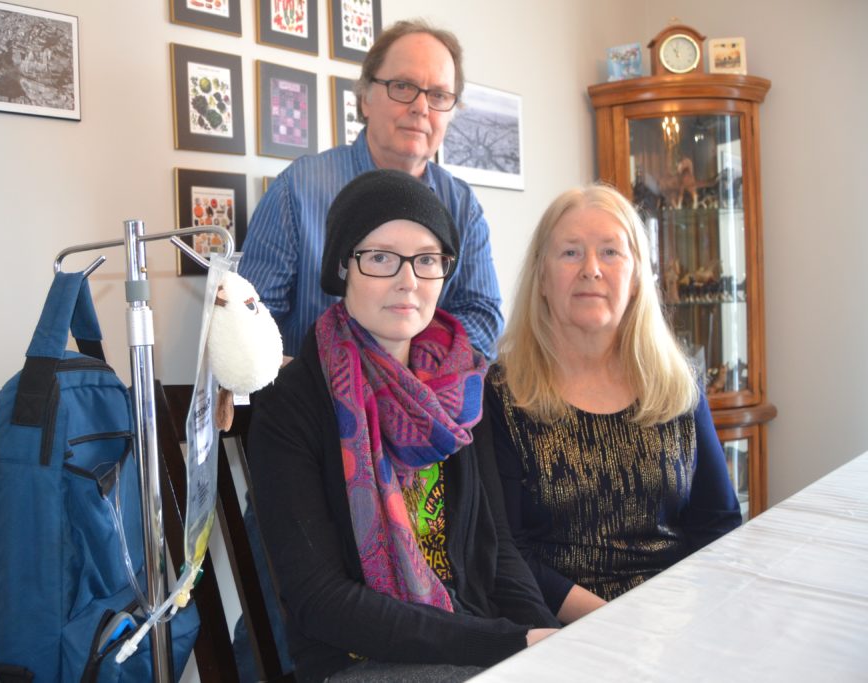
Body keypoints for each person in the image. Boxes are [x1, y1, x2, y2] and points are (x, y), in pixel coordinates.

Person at [246, 170, 559, 683]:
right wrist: (508, 642)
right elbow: (322, 602)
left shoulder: (462, 388)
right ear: (343, 266)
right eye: (381, 258)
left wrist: (549, 641)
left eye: (427, 259)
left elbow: (497, 550)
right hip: (356, 662)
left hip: (471, 642)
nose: (407, 280)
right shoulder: (293, 403)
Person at [481, 183, 742, 620]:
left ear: (637, 277)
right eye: (570, 253)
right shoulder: (504, 394)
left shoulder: (678, 385)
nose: (591, 269)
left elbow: (718, 525)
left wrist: (681, 617)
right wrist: (613, 623)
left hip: (677, 617)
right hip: (559, 628)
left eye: (610, 252)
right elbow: (507, 550)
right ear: (542, 277)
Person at [239, 18, 502, 362]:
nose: (421, 107)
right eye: (403, 86)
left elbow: (484, 317)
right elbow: (249, 319)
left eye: (438, 95)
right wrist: (347, 370)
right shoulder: (298, 190)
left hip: (426, 402)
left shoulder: (462, 205)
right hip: (313, 407)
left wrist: (404, 367)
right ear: (365, 98)